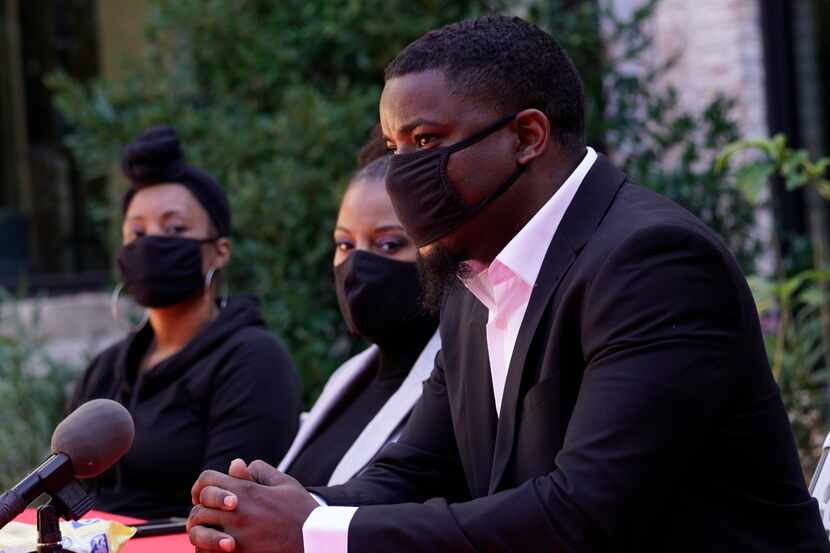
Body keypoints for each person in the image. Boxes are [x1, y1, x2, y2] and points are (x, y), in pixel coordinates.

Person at [187, 16, 830, 552]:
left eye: (426, 140)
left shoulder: (653, 263)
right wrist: (275, 510)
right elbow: (420, 467)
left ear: (527, 136)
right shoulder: (476, 271)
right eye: (393, 147)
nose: (401, 175)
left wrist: (316, 532)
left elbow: (582, 514)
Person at [70, 126, 302, 519]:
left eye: (175, 229)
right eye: (137, 232)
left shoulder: (254, 360)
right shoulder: (106, 369)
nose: (151, 243)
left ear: (220, 251)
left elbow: (230, 509)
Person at [278, 153, 440, 487]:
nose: (358, 264)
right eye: (345, 244)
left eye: (389, 244)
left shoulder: (465, 384)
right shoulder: (347, 377)